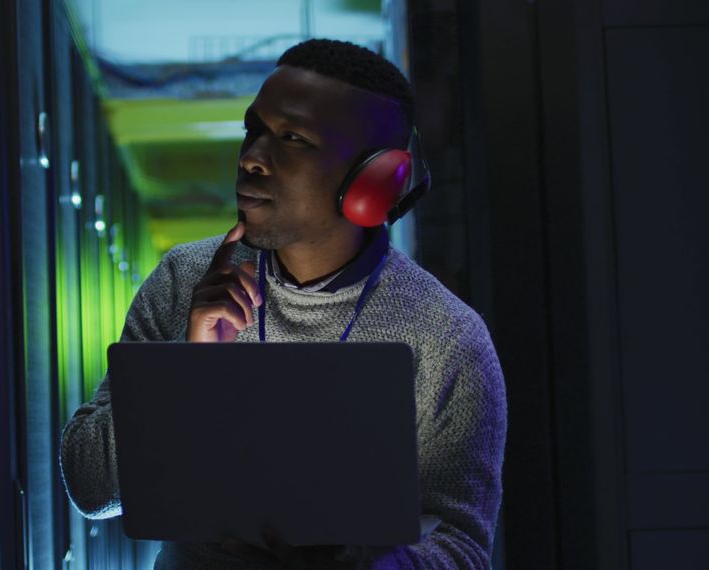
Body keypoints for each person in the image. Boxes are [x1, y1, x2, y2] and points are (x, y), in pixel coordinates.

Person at [60, 39, 506, 569]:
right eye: (254, 130)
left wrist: (357, 565)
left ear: (373, 182)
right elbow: (90, 487)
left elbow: (463, 548)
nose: (251, 158)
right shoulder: (187, 279)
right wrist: (190, 369)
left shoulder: (447, 337)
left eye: (292, 139)